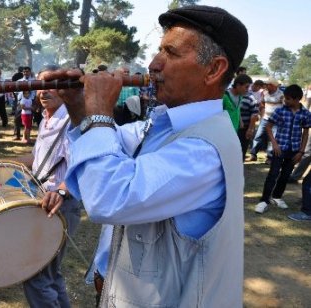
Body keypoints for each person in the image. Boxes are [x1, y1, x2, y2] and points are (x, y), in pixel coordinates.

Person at [41, 5, 248, 307]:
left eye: (171, 54)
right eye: (158, 51)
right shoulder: (163, 124)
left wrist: (99, 111)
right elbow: (103, 149)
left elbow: (108, 197)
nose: (153, 64)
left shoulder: (205, 149)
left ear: (214, 69)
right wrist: (78, 107)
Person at [14, 66, 81, 307]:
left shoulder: (71, 122)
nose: (43, 91)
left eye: (50, 84)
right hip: (44, 202)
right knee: (50, 276)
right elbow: (38, 159)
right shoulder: (46, 118)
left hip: (61, 206)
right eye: (40, 85)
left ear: (65, 89)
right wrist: (4, 162)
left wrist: (60, 192)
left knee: (36, 277)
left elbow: (80, 168)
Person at [255, 84, 311, 214]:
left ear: (297, 99)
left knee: (285, 176)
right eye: (285, 98)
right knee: (272, 175)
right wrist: (274, 144)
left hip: (294, 151)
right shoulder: (280, 111)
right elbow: (268, 127)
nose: (285, 101)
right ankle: (264, 200)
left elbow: (306, 133)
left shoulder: (305, 114)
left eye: (288, 99)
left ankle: (277, 197)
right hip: (279, 149)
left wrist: (301, 152)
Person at [249, 77, 284, 163]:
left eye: (268, 85)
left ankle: (269, 157)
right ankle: (253, 154)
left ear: (274, 86)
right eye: (266, 85)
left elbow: (285, 107)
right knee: (258, 136)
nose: (266, 86)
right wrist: (262, 111)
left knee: (272, 138)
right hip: (265, 119)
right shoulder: (264, 93)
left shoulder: (281, 94)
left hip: (276, 121)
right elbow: (262, 102)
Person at [238, 86, 259, 160]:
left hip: (245, 128)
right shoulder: (232, 96)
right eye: (245, 87)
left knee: (242, 149)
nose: (247, 89)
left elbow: (254, 114)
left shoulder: (251, 98)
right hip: (232, 127)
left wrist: (250, 129)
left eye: (247, 87)